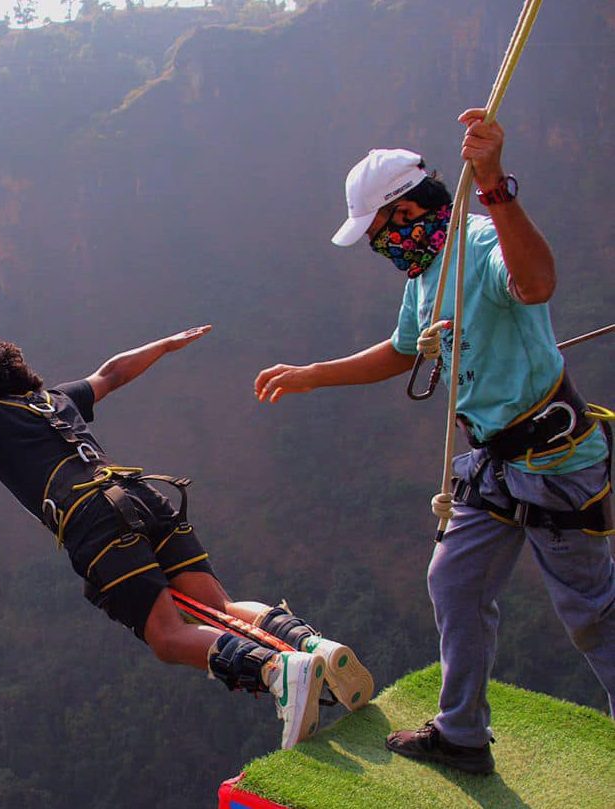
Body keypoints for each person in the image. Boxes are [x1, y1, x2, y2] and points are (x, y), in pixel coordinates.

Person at [0, 325, 374, 750]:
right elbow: (112, 371)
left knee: (169, 637)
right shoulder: (55, 399)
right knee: (218, 605)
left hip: (94, 520)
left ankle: (277, 671)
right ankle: (316, 649)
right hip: (146, 494)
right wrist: (163, 346)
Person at [254, 109, 614, 774]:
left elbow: (535, 283)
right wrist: (311, 376)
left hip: (555, 460)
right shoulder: (425, 275)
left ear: (410, 209)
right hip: (493, 463)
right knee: (452, 581)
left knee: (592, 614)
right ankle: (461, 734)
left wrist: (495, 184)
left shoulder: (478, 248)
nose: (377, 246)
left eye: (379, 230)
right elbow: (399, 351)